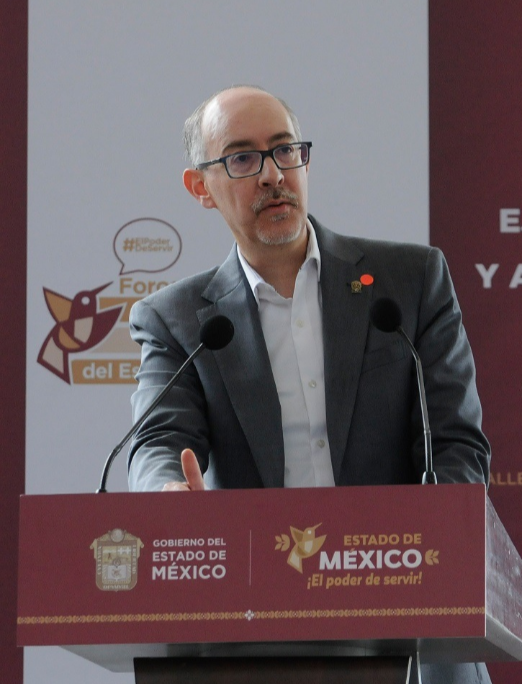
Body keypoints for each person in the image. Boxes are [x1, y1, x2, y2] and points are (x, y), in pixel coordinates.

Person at [127, 86, 492, 683]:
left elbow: (458, 444)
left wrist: (432, 543)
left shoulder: (409, 282)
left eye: (285, 151)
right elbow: (156, 442)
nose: (272, 175)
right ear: (201, 187)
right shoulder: (179, 318)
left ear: (305, 160)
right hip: (253, 630)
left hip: (406, 614)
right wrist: (166, 495)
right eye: (242, 158)